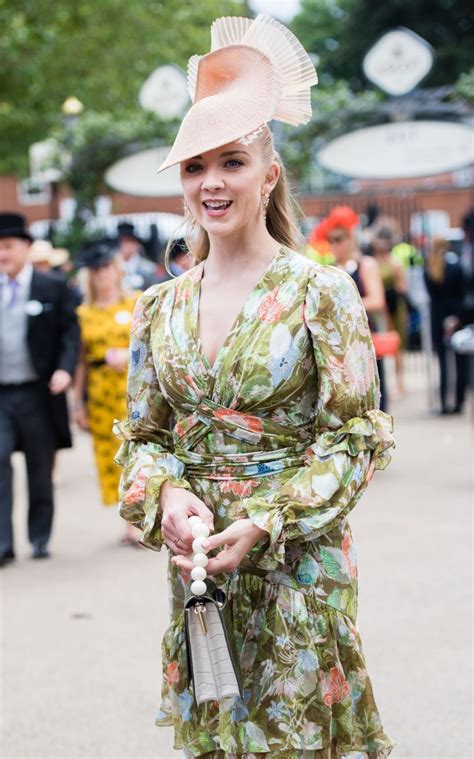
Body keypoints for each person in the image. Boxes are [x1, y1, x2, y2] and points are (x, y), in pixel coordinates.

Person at [115, 14, 395, 759]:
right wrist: (168, 495)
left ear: (268, 175)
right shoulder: (158, 306)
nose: (211, 182)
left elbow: (357, 437)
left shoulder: (320, 292)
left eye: (231, 161)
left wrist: (268, 518)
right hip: (203, 573)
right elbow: (142, 438)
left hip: (298, 564)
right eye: (194, 166)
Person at [0, 213, 79, 565]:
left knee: (38, 466)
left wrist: (65, 370)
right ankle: (3, 543)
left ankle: (39, 536)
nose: (2, 254)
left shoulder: (51, 286)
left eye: (8, 246)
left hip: (37, 391)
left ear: (26, 249)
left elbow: (69, 333)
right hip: (2, 392)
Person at [73, 241, 141, 544]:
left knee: (136, 453)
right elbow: (79, 362)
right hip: (100, 392)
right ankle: (127, 518)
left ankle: (138, 520)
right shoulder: (83, 313)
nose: (103, 275)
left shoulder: (136, 303)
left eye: (107, 268)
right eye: (97, 270)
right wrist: (77, 404)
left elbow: (151, 345)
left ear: (118, 270)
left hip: (132, 389)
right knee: (110, 458)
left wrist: (128, 356)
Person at [315, 206, 389, 413]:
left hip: (361, 337)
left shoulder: (365, 264)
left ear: (350, 239)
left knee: (372, 399)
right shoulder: (328, 269)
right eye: (331, 240)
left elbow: (377, 300)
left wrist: (342, 307)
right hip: (336, 343)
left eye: (338, 239)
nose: (334, 245)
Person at [425, 235, 468, 414]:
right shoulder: (456, 266)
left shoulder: (429, 268)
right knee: (460, 362)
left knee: (443, 364)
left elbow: (432, 297)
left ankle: (443, 403)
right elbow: (462, 295)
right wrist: (456, 316)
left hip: (438, 318)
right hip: (456, 317)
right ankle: (458, 402)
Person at [372, 228, 408, 397]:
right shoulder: (373, 263)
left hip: (395, 307)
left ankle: (400, 383)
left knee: (398, 347)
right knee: (380, 345)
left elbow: (402, 287)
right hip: (380, 309)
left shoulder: (396, 262)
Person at [116, 221, 161, 291]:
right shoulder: (113, 267)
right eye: (122, 242)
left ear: (136, 244)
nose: (125, 246)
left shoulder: (148, 268)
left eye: (129, 242)